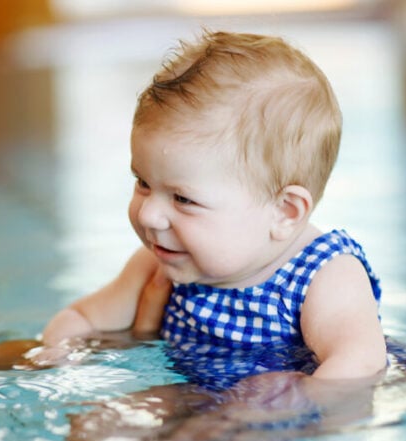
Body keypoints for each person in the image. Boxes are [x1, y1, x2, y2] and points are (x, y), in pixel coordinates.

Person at [41, 30, 388, 383]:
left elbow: (360, 363)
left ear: (284, 211)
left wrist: (295, 404)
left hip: (272, 414)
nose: (148, 214)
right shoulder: (156, 266)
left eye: (183, 199)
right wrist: (58, 352)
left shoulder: (325, 276)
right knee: (100, 424)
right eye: (143, 182)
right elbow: (82, 319)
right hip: (193, 396)